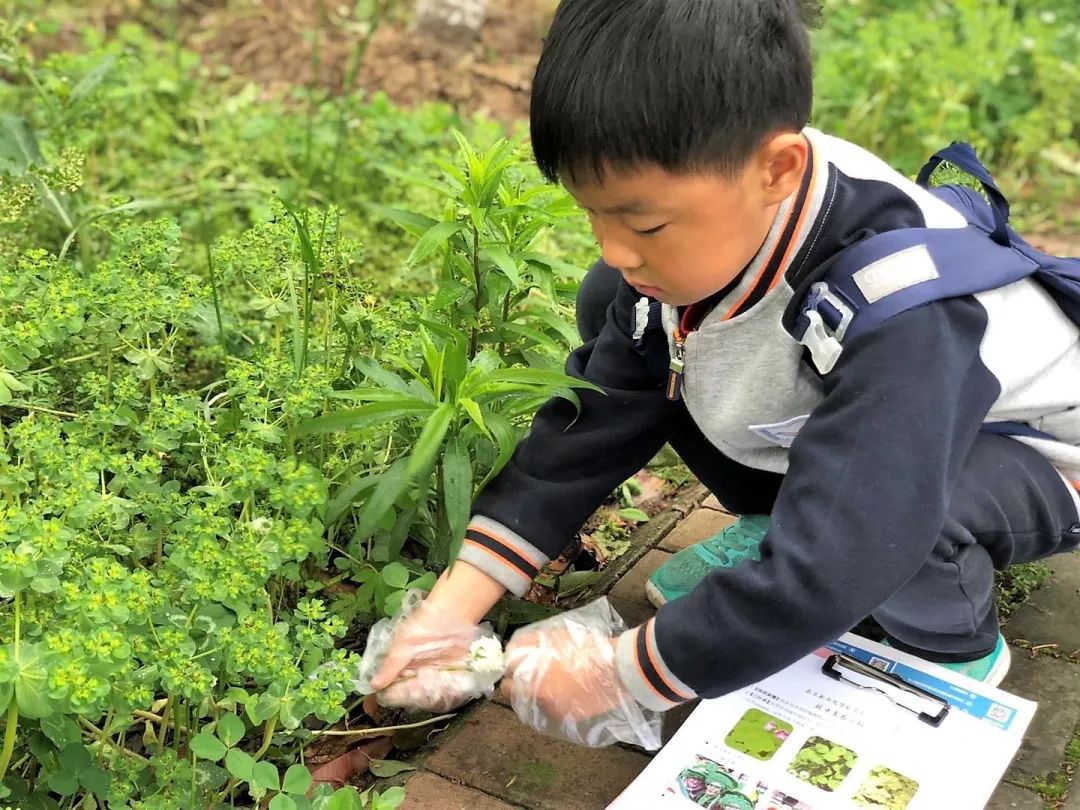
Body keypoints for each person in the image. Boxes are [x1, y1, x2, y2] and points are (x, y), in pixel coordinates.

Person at [364, 0, 1080, 744]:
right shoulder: (732, 185)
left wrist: (625, 671)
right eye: (591, 215)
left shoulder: (899, 303)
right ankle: (780, 531)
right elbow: (593, 428)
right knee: (621, 305)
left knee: (900, 517)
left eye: (643, 224)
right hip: (890, 423)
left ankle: (946, 649)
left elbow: (859, 530)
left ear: (779, 168)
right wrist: (452, 609)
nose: (615, 246)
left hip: (1038, 448)